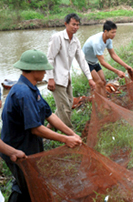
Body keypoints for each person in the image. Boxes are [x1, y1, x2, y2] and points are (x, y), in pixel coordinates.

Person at [0, 49, 82, 202]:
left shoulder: (31, 88)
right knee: (27, 187)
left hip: (29, 146)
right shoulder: (22, 92)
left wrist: (71, 133)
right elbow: (36, 128)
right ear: (34, 70)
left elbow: (49, 115)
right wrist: (65, 139)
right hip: (17, 149)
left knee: (30, 183)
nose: (45, 72)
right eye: (43, 68)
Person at [47, 13, 96, 129]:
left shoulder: (75, 41)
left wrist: (90, 78)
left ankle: (49, 128)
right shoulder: (57, 38)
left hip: (66, 77)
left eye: (78, 25)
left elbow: (82, 60)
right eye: (73, 24)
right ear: (66, 24)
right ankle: (70, 133)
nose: (76, 27)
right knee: (65, 108)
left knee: (68, 104)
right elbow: (50, 58)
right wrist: (50, 78)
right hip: (56, 78)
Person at [82, 20, 133, 97]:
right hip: (85, 62)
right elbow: (102, 62)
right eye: (112, 32)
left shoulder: (108, 39)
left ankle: (99, 97)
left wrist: (126, 66)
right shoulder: (97, 43)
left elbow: (113, 55)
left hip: (94, 61)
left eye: (115, 32)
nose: (114, 34)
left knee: (103, 81)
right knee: (98, 82)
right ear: (106, 31)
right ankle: (100, 100)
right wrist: (117, 71)